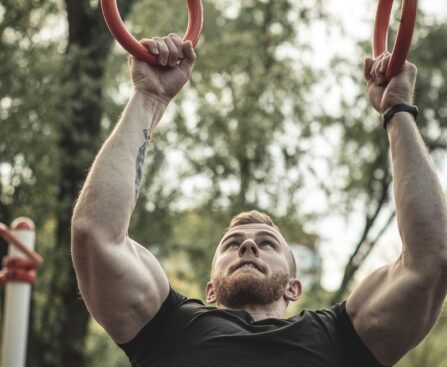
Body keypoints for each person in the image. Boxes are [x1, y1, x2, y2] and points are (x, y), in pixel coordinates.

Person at [71, 34, 447, 367]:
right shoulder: (168, 327)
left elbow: (432, 258)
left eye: (267, 243)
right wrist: (148, 97)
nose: (248, 244)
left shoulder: (343, 338)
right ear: (211, 288)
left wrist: (398, 110)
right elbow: (94, 233)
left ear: (293, 288)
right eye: (232, 244)